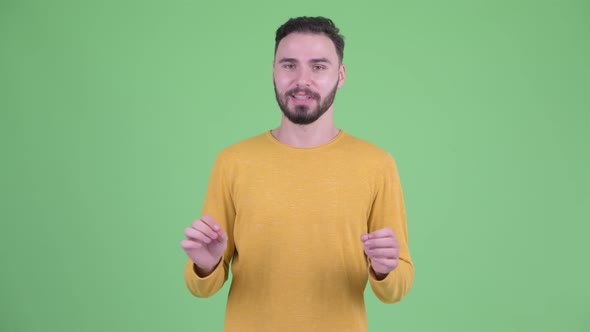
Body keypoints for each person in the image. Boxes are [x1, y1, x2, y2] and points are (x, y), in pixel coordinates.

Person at [181, 16, 414, 332]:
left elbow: (397, 286)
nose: (302, 79)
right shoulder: (232, 162)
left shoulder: (376, 164)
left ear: (340, 75)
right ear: (274, 72)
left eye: (318, 66)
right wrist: (206, 265)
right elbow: (201, 286)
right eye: (289, 65)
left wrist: (386, 270)